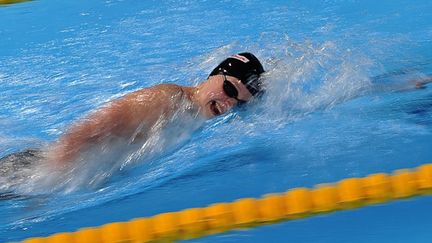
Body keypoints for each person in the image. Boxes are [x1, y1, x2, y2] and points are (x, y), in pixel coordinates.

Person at [42, 52, 266, 165]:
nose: (229, 104)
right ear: (215, 74)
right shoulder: (168, 99)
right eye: (229, 89)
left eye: (239, 104)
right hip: (37, 170)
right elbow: (89, 128)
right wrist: (51, 178)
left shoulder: (192, 117)